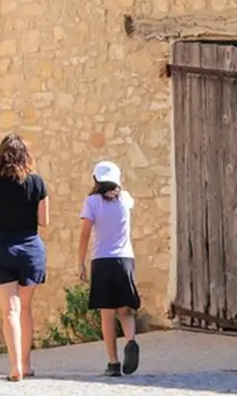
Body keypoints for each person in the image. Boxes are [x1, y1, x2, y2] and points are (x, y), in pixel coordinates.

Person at [0, 134, 48, 382]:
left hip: (1, 247)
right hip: (30, 249)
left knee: (10, 309)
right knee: (26, 309)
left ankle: (15, 366)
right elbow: (44, 220)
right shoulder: (37, 182)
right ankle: (27, 364)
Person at [78, 160, 142, 377]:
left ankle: (113, 362)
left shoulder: (92, 202)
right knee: (125, 309)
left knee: (107, 313)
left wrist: (81, 262)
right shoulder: (126, 199)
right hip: (125, 259)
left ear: (96, 180)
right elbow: (125, 200)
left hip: (102, 260)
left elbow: (85, 233)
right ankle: (131, 340)